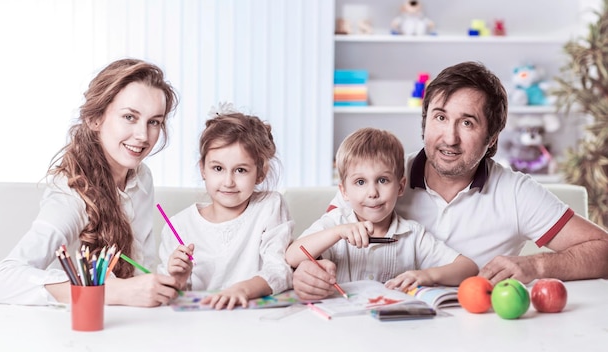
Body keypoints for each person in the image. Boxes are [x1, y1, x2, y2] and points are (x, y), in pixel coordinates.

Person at [293, 61, 608, 300]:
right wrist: (307, 272)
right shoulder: (382, 179)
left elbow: (603, 249)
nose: (449, 138)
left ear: (492, 138)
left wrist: (535, 267)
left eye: (467, 123)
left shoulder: (515, 192)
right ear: (425, 119)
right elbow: (321, 243)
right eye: (440, 117)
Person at [0, 58, 180, 307]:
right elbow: (5, 279)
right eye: (129, 117)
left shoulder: (141, 176)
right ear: (95, 119)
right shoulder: (71, 194)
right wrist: (112, 291)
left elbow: (140, 273)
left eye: (154, 121)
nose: (143, 136)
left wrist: (168, 280)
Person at [285, 128, 478, 293]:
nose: (372, 193)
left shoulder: (412, 234)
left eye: (383, 180)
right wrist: (337, 233)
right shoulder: (335, 224)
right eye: (360, 182)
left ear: (400, 187)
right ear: (343, 190)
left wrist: (425, 275)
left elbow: (468, 268)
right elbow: (292, 256)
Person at [158, 104, 293, 310]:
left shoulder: (269, 206)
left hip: (253, 321)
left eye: (240, 170)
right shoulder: (178, 226)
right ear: (203, 168)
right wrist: (178, 279)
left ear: (260, 173)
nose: (228, 181)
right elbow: (166, 295)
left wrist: (243, 289)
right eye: (218, 168)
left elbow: (280, 271)